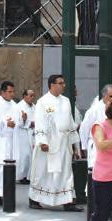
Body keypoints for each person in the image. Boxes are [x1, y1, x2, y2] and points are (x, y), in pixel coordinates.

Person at [29, 74, 82, 212]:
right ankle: (35, 198)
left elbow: (70, 122)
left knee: (65, 172)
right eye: (60, 83)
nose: (64, 85)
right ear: (52, 85)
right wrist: (42, 141)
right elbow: (40, 121)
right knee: (43, 171)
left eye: (63, 83)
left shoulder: (66, 101)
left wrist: (75, 145)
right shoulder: (42, 102)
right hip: (49, 142)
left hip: (64, 143)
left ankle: (68, 201)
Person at [80, 85, 112, 170]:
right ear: (104, 95)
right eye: (111, 96)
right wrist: (85, 147)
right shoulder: (94, 110)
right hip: (97, 146)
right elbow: (84, 128)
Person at [15, 89, 36, 184]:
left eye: (33, 95)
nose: (32, 97)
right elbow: (17, 122)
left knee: (32, 154)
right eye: (30, 95)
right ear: (24, 96)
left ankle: (29, 176)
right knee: (25, 155)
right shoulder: (19, 106)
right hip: (22, 134)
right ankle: (22, 176)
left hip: (32, 133)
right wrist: (25, 121)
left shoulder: (34, 106)